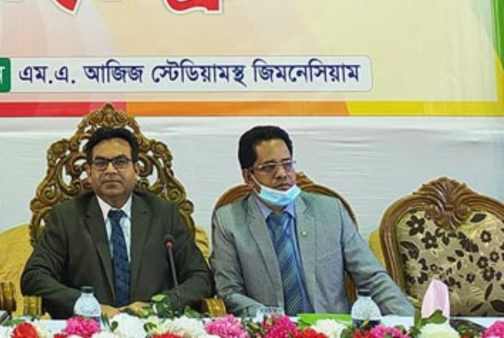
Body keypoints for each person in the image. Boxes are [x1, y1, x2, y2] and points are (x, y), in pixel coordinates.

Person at [211, 125, 413, 316]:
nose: (282, 174)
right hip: (269, 331)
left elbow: (372, 277)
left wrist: (413, 323)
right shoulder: (228, 221)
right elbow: (229, 291)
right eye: (269, 167)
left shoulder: (330, 211)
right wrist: (271, 319)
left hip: (331, 329)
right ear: (248, 177)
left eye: (287, 164)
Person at [21, 127, 214, 319]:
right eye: (101, 163)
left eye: (120, 162)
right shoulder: (66, 217)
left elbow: (201, 278)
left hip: (153, 326)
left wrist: (156, 307)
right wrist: (88, 306)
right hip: (87, 327)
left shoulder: (164, 214)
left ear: (136, 170)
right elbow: (34, 277)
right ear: (88, 172)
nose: (110, 170)